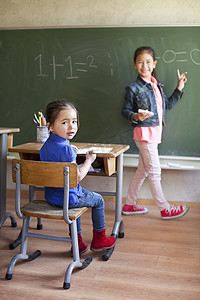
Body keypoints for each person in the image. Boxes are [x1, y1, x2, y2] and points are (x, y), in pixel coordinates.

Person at [121, 46, 189, 220]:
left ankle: (129, 204)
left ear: (154, 64)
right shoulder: (133, 88)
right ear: (134, 65)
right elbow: (125, 111)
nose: (144, 65)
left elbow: (167, 105)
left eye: (148, 62)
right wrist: (136, 115)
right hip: (144, 133)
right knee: (154, 171)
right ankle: (164, 208)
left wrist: (179, 88)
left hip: (154, 133)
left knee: (143, 171)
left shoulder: (157, 86)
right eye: (140, 62)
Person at [40, 99, 116, 254]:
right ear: (50, 127)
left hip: (52, 196)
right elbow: (78, 177)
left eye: (74, 121)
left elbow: (59, 157)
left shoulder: (45, 147)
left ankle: (78, 242)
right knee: (98, 200)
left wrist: (69, 150)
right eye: (64, 123)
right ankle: (100, 240)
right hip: (67, 198)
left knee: (75, 200)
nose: (71, 126)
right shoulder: (67, 151)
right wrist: (89, 160)